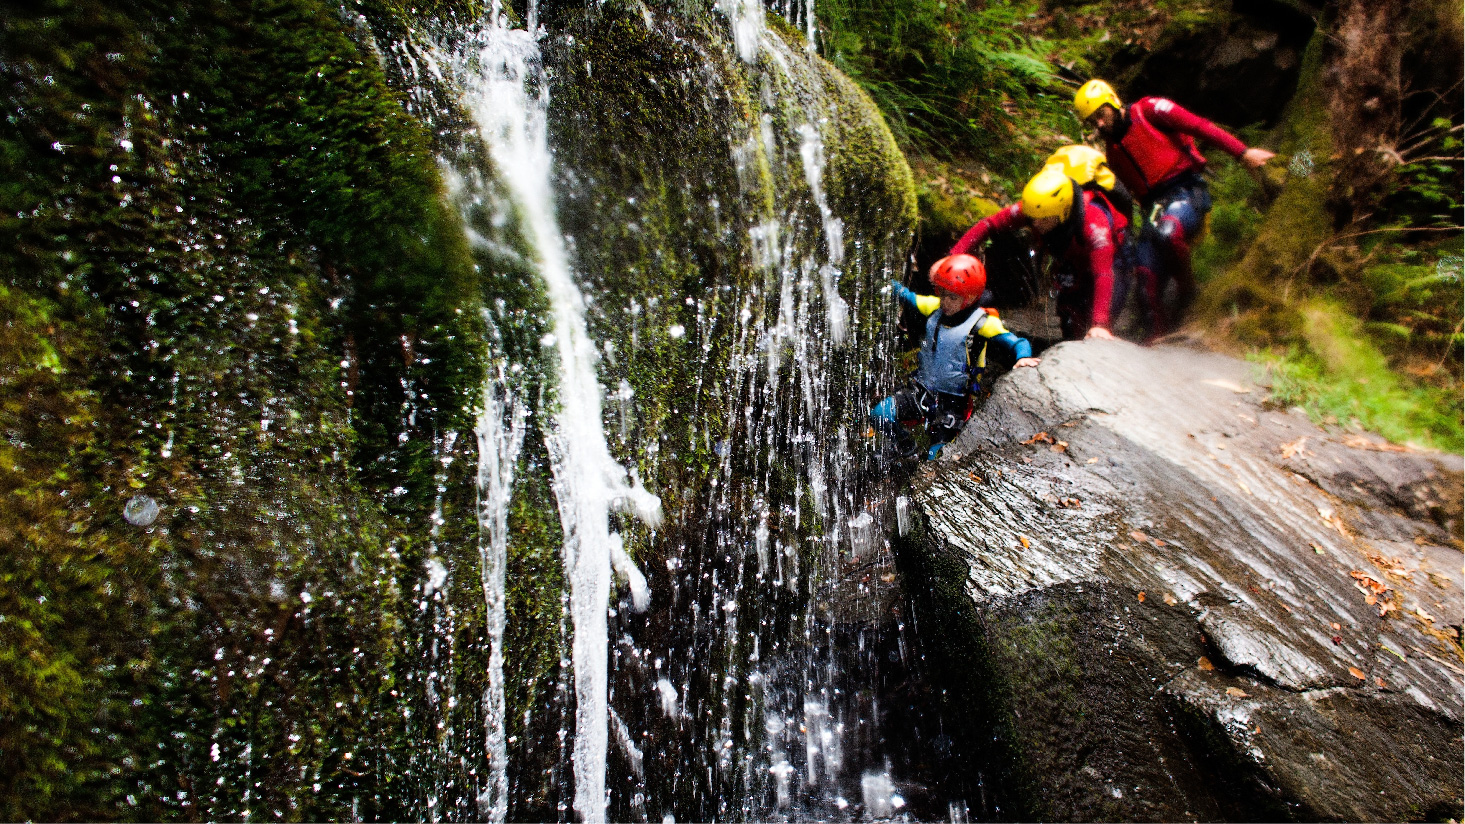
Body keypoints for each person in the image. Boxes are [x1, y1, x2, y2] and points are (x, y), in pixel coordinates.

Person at [1073, 79, 1275, 330]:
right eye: (1093, 122)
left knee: (1168, 233)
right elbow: (1127, 200)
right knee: (1144, 280)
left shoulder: (1151, 111)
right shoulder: (1113, 152)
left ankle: (1189, 294)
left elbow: (1199, 127)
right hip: (1155, 208)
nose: (1099, 124)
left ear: (1112, 103)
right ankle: (1156, 340)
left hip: (1188, 190)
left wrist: (1243, 153)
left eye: (1100, 115)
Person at [871, 254, 1040, 460]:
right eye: (943, 294)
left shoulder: (983, 323)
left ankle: (925, 454)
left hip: (954, 402)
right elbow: (905, 295)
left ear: (969, 298)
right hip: (923, 391)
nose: (945, 302)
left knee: (936, 456)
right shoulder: (934, 307)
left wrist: (1023, 357)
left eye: (953, 297)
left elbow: (1018, 342)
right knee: (880, 415)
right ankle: (907, 446)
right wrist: (879, 273)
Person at [950, 167, 1130, 341]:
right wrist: (951, 258)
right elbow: (989, 225)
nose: (1036, 223)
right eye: (1032, 217)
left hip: (1113, 261)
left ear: (1062, 212)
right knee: (1069, 316)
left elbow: (1103, 274)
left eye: (1043, 219)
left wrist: (1100, 323)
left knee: (1098, 320)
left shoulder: (1095, 224)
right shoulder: (1036, 209)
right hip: (1074, 258)